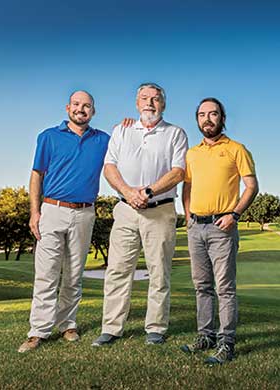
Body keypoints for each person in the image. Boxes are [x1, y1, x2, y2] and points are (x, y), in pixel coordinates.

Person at [92, 83, 188, 347]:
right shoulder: (121, 130)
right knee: (118, 270)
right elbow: (109, 167)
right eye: (144, 98)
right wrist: (127, 191)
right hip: (125, 209)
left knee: (159, 271)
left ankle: (155, 328)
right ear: (136, 103)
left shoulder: (175, 133)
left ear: (163, 104)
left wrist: (147, 191)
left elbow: (178, 172)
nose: (150, 103)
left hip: (161, 210)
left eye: (155, 99)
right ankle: (111, 328)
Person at [18, 91, 110, 353]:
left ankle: (68, 324)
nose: (81, 109)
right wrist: (34, 212)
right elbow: (37, 175)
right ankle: (38, 331)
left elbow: (121, 155)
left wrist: (125, 125)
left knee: (73, 273)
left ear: (93, 111)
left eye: (87, 106)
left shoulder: (103, 139)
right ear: (68, 107)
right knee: (46, 273)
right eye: (77, 105)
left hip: (85, 213)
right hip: (52, 209)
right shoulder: (48, 137)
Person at [181, 97, 258, 365]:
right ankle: (205, 336)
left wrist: (234, 214)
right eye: (202, 114)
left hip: (221, 227)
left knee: (224, 288)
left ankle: (227, 342)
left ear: (222, 118)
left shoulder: (237, 149)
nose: (207, 119)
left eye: (213, 114)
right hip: (195, 227)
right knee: (201, 286)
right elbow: (187, 187)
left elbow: (251, 186)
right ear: (197, 120)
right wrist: (188, 214)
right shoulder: (192, 153)